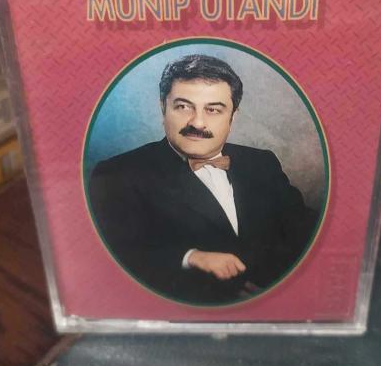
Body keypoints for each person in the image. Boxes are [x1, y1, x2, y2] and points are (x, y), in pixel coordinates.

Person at [88, 54, 318, 304]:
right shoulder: (117, 174)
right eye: (183, 106)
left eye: (213, 110)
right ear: (163, 108)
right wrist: (191, 257)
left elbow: (304, 231)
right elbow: (113, 258)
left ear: (233, 116)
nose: (197, 122)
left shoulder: (262, 162)